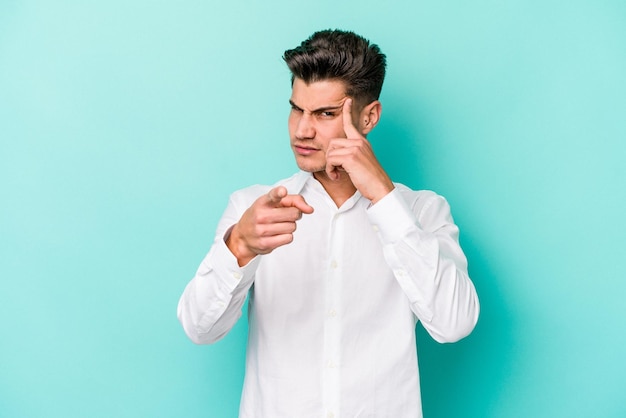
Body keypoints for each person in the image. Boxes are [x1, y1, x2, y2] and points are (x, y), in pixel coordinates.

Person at [178, 29, 479, 418]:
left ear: (368, 117)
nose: (302, 130)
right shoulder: (253, 210)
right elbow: (200, 329)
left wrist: (385, 200)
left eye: (324, 113)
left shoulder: (423, 211)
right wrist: (239, 246)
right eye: (296, 109)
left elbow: (454, 323)